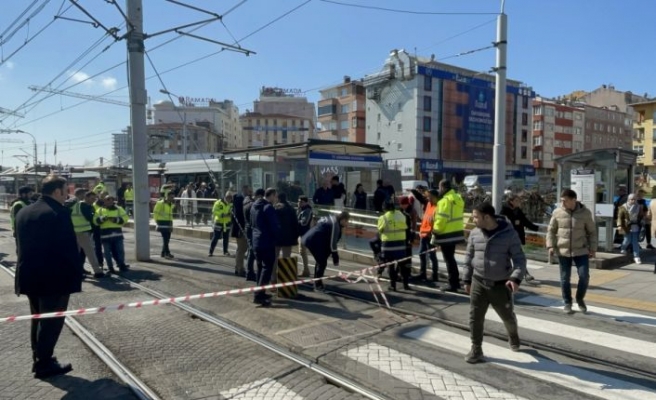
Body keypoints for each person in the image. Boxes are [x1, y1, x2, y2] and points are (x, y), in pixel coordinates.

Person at [15, 175, 81, 379]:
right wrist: (76, 274)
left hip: (29, 275)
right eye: (65, 191)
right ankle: (44, 364)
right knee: (51, 323)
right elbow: (68, 249)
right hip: (54, 279)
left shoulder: (24, 211)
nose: (67, 195)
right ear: (57, 192)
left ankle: (40, 357)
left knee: (37, 319)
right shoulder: (59, 213)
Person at [463, 202, 526, 364]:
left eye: (476, 216)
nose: (473, 219)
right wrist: (466, 279)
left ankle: (513, 335)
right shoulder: (474, 233)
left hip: (500, 285)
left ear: (487, 217)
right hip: (478, 282)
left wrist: (515, 278)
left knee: (508, 317)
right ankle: (476, 348)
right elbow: (468, 257)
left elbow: (519, 260)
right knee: (475, 316)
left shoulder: (509, 234)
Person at [547, 189, 597, 314]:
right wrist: (550, 246)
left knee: (584, 276)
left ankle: (580, 299)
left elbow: (592, 232)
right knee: (565, 278)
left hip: (581, 249)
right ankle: (567, 302)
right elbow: (551, 231)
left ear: (574, 200)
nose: (562, 203)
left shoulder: (585, 213)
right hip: (563, 250)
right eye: (561, 201)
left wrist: (593, 248)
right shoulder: (557, 212)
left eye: (565, 201)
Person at [302, 211, 350, 292]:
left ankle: (317, 282)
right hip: (314, 241)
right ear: (343, 219)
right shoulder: (335, 225)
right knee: (322, 262)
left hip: (311, 238)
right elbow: (332, 243)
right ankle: (317, 285)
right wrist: (335, 258)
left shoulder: (330, 218)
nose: (347, 223)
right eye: (347, 221)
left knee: (320, 261)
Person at [431, 180, 465, 292]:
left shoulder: (444, 201)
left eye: (440, 187)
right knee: (451, 258)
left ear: (444, 188)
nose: (439, 190)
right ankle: (455, 282)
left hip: (446, 234)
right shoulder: (458, 198)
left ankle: (453, 284)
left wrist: (435, 231)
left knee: (448, 259)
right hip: (457, 232)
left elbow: (441, 219)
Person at [251, 188, 280, 306]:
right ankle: (258, 295)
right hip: (267, 242)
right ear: (272, 196)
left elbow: (252, 223)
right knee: (267, 268)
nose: (276, 199)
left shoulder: (254, 206)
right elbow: (274, 226)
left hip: (256, 241)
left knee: (260, 268)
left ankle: (260, 292)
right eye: (275, 196)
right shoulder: (269, 208)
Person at [501, 194, 539, 281]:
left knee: (518, 257)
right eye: (517, 201)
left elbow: (525, 221)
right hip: (507, 238)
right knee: (513, 257)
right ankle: (523, 274)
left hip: (517, 237)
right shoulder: (505, 210)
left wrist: (536, 228)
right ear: (511, 202)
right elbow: (502, 222)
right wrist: (515, 222)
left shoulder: (517, 210)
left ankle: (524, 274)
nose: (519, 202)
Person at [70, 188, 104, 278]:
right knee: (90, 252)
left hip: (74, 232)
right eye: (92, 199)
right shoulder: (85, 206)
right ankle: (98, 271)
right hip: (82, 232)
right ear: (86, 197)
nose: (93, 201)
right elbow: (91, 219)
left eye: (94, 199)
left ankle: (78, 271)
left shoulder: (75, 205)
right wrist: (99, 220)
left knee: (77, 254)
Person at [95, 195, 129, 273]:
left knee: (120, 250)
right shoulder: (99, 210)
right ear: (104, 201)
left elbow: (125, 218)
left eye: (111, 200)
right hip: (105, 235)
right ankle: (110, 267)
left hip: (117, 234)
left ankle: (121, 265)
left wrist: (116, 220)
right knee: (107, 252)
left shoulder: (119, 209)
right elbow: (95, 221)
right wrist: (102, 219)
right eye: (108, 200)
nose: (110, 201)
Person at [414, 188, 440, 282]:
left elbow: (437, 222)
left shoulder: (438, 207)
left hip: (430, 234)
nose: (427, 198)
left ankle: (434, 275)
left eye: (429, 196)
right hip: (424, 233)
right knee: (421, 253)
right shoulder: (429, 204)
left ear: (434, 197)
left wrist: (432, 233)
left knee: (432, 255)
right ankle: (422, 273)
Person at [274, 193, 298, 281]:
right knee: (286, 257)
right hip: (288, 237)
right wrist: (295, 237)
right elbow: (295, 223)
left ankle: (273, 277)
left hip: (277, 236)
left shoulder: (275, 208)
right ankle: (284, 278)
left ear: (278, 198)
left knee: (275, 257)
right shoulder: (291, 209)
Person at [618, 193, 644, 264]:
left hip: (635, 226)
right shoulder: (623, 207)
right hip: (627, 226)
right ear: (628, 200)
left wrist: (641, 221)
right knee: (627, 240)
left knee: (635, 242)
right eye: (631, 199)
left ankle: (636, 256)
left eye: (634, 199)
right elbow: (620, 217)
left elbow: (641, 216)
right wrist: (619, 225)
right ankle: (623, 248)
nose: (633, 201)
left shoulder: (638, 207)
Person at [244, 189, 263, 282]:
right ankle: (250, 272)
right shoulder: (253, 205)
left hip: (248, 228)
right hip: (252, 229)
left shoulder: (247, 203)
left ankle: (249, 271)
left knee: (250, 251)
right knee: (252, 251)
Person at [232, 185, 250, 277]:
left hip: (240, 228)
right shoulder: (239, 199)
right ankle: (240, 269)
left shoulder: (241, 199)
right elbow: (239, 216)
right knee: (241, 249)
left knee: (241, 249)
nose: (248, 191)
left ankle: (238, 267)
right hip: (240, 228)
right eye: (246, 189)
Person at [209, 192, 233, 258]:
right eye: (228, 198)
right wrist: (222, 214)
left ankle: (225, 251)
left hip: (227, 222)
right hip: (219, 222)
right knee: (215, 237)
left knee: (226, 238)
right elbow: (214, 211)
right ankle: (211, 251)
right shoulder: (218, 202)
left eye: (230, 198)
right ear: (225, 197)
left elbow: (232, 211)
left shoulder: (231, 204)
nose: (229, 199)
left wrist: (231, 214)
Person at [153, 191, 175, 259]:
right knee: (165, 238)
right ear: (167, 196)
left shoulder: (171, 204)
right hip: (161, 222)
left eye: (173, 197)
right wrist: (156, 221)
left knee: (167, 239)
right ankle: (167, 253)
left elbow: (170, 215)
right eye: (171, 197)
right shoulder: (160, 203)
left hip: (168, 222)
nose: (172, 198)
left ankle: (163, 252)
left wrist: (171, 223)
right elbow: (155, 212)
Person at [296, 195, 314, 277]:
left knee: (302, 252)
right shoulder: (300, 209)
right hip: (301, 233)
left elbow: (304, 222)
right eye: (299, 201)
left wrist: (296, 222)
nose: (299, 203)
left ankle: (306, 270)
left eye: (301, 202)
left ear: (306, 202)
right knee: (302, 252)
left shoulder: (307, 210)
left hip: (305, 233)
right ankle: (305, 269)